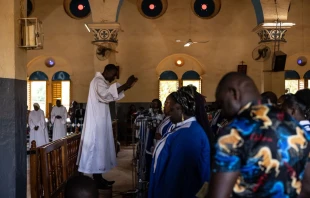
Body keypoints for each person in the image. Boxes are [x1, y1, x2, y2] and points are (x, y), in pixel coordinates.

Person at [207, 72, 310, 198]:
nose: (222, 110)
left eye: (221, 103)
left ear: (234, 93)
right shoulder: (296, 127)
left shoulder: (234, 133)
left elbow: (219, 195)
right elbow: (306, 187)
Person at [77, 64, 138, 189]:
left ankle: (99, 178)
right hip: (96, 123)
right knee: (96, 149)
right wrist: (125, 86)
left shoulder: (101, 82)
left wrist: (126, 87)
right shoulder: (98, 81)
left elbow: (110, 95)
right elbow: (106, 95)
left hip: (100, 121)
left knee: (100, 150)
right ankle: (95, 180)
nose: (114, 77)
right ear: (107, 71)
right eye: (113, 74)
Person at [148, 88, 210, 198]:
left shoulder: (188, 135)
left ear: (180, 108)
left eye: (171, 109)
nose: (169, 113)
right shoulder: (181, 128)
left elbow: (176, 178)